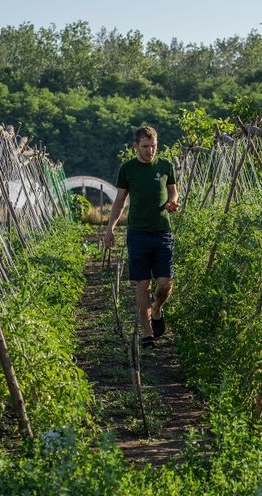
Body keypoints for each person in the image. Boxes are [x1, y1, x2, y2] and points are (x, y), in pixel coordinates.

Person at [104, 126, 179, 347]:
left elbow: (173, 189)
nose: (150, 151)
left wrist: (173, 200)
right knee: (142, 284)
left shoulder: (165, 166)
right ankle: (147, 334)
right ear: (136, 146)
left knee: (165, 284)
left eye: (153, 146)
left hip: (162, 231)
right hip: (137, 233)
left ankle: (156, 310)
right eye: (145, 147)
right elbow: (119, 202)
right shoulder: (128, 169)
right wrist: (110, 229)